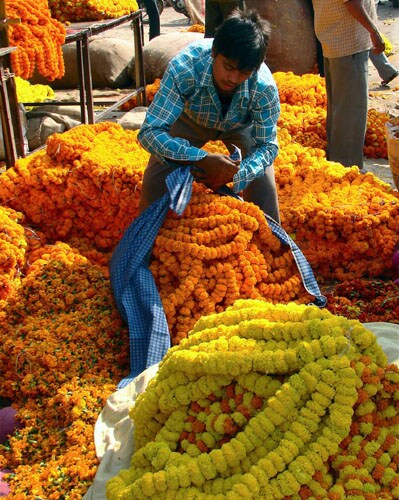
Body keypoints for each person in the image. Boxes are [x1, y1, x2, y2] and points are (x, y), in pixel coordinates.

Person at [137, 8, 281, 222]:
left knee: (263, 185)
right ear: (214, 52)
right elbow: (149, 132)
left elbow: (267, 146)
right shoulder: (184, 69)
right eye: (228, 67)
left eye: (243, 73)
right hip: (191, 119)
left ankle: (272, 246)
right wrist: (200, 159)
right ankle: (143, 247)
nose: (233, 78)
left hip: (239, 125)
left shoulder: (263, 87)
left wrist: (237, 173)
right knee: (154, 183)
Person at [311, 0, 385, 170]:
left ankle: (337, 161)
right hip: (348, 43)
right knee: (351, 112)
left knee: (339, 108)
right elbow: (352, 3)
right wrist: (373, 30)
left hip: (335, 41)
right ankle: (347, 166)